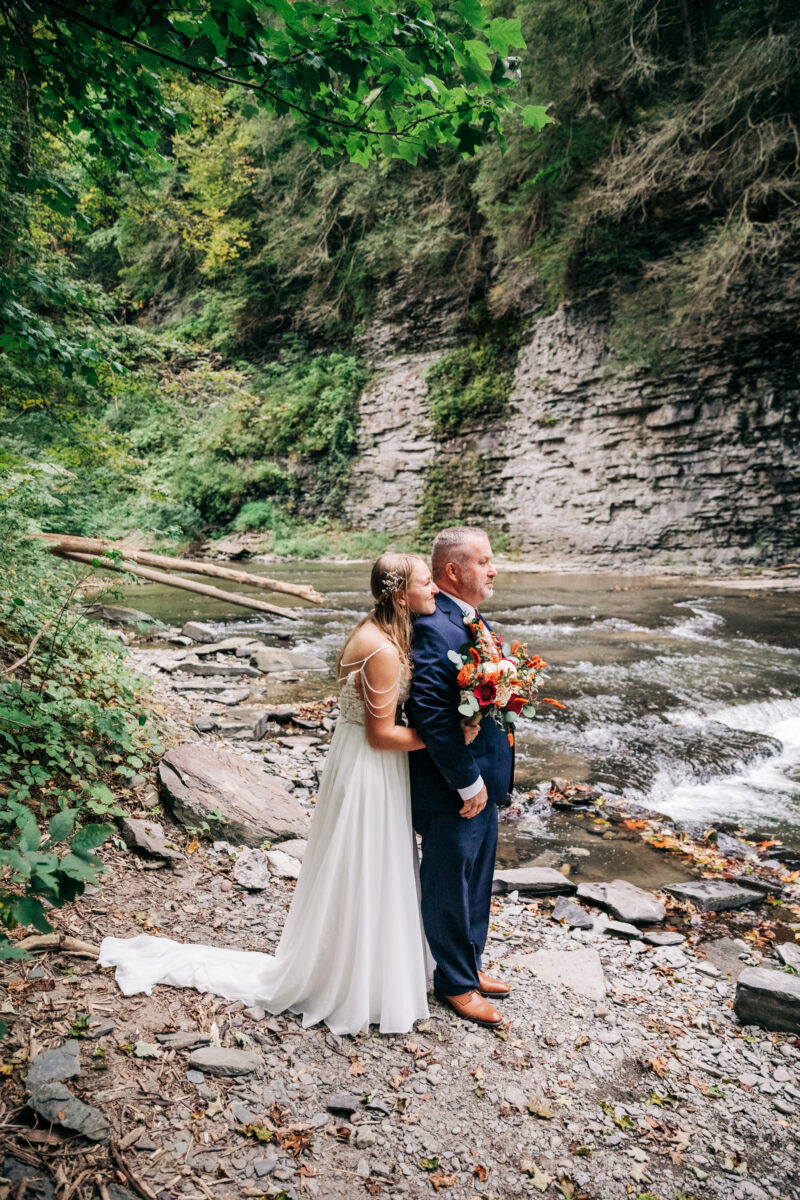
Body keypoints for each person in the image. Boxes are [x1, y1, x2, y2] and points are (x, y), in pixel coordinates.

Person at [99, 553, 473, 1036]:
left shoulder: (385, 630)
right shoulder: (380, 649)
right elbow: (382, 735)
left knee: (369, 864)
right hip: (369, 766)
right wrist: (449, 737)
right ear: (401, 595)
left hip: (367, 761)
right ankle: (351, 981)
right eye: (427, 583)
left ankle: (370, 970)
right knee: (365, 864)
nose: (436, 591)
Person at [407, 527, 514, 1028]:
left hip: (483, 781)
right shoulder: (434, 623)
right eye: (484, 561)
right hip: (453, 786)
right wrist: (468, 781)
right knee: (450, 880)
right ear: (453, 570)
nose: (493, 569)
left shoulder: (468, 618)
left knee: (476, 879)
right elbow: (430, 713)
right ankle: (453, 981)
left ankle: (468, 966)